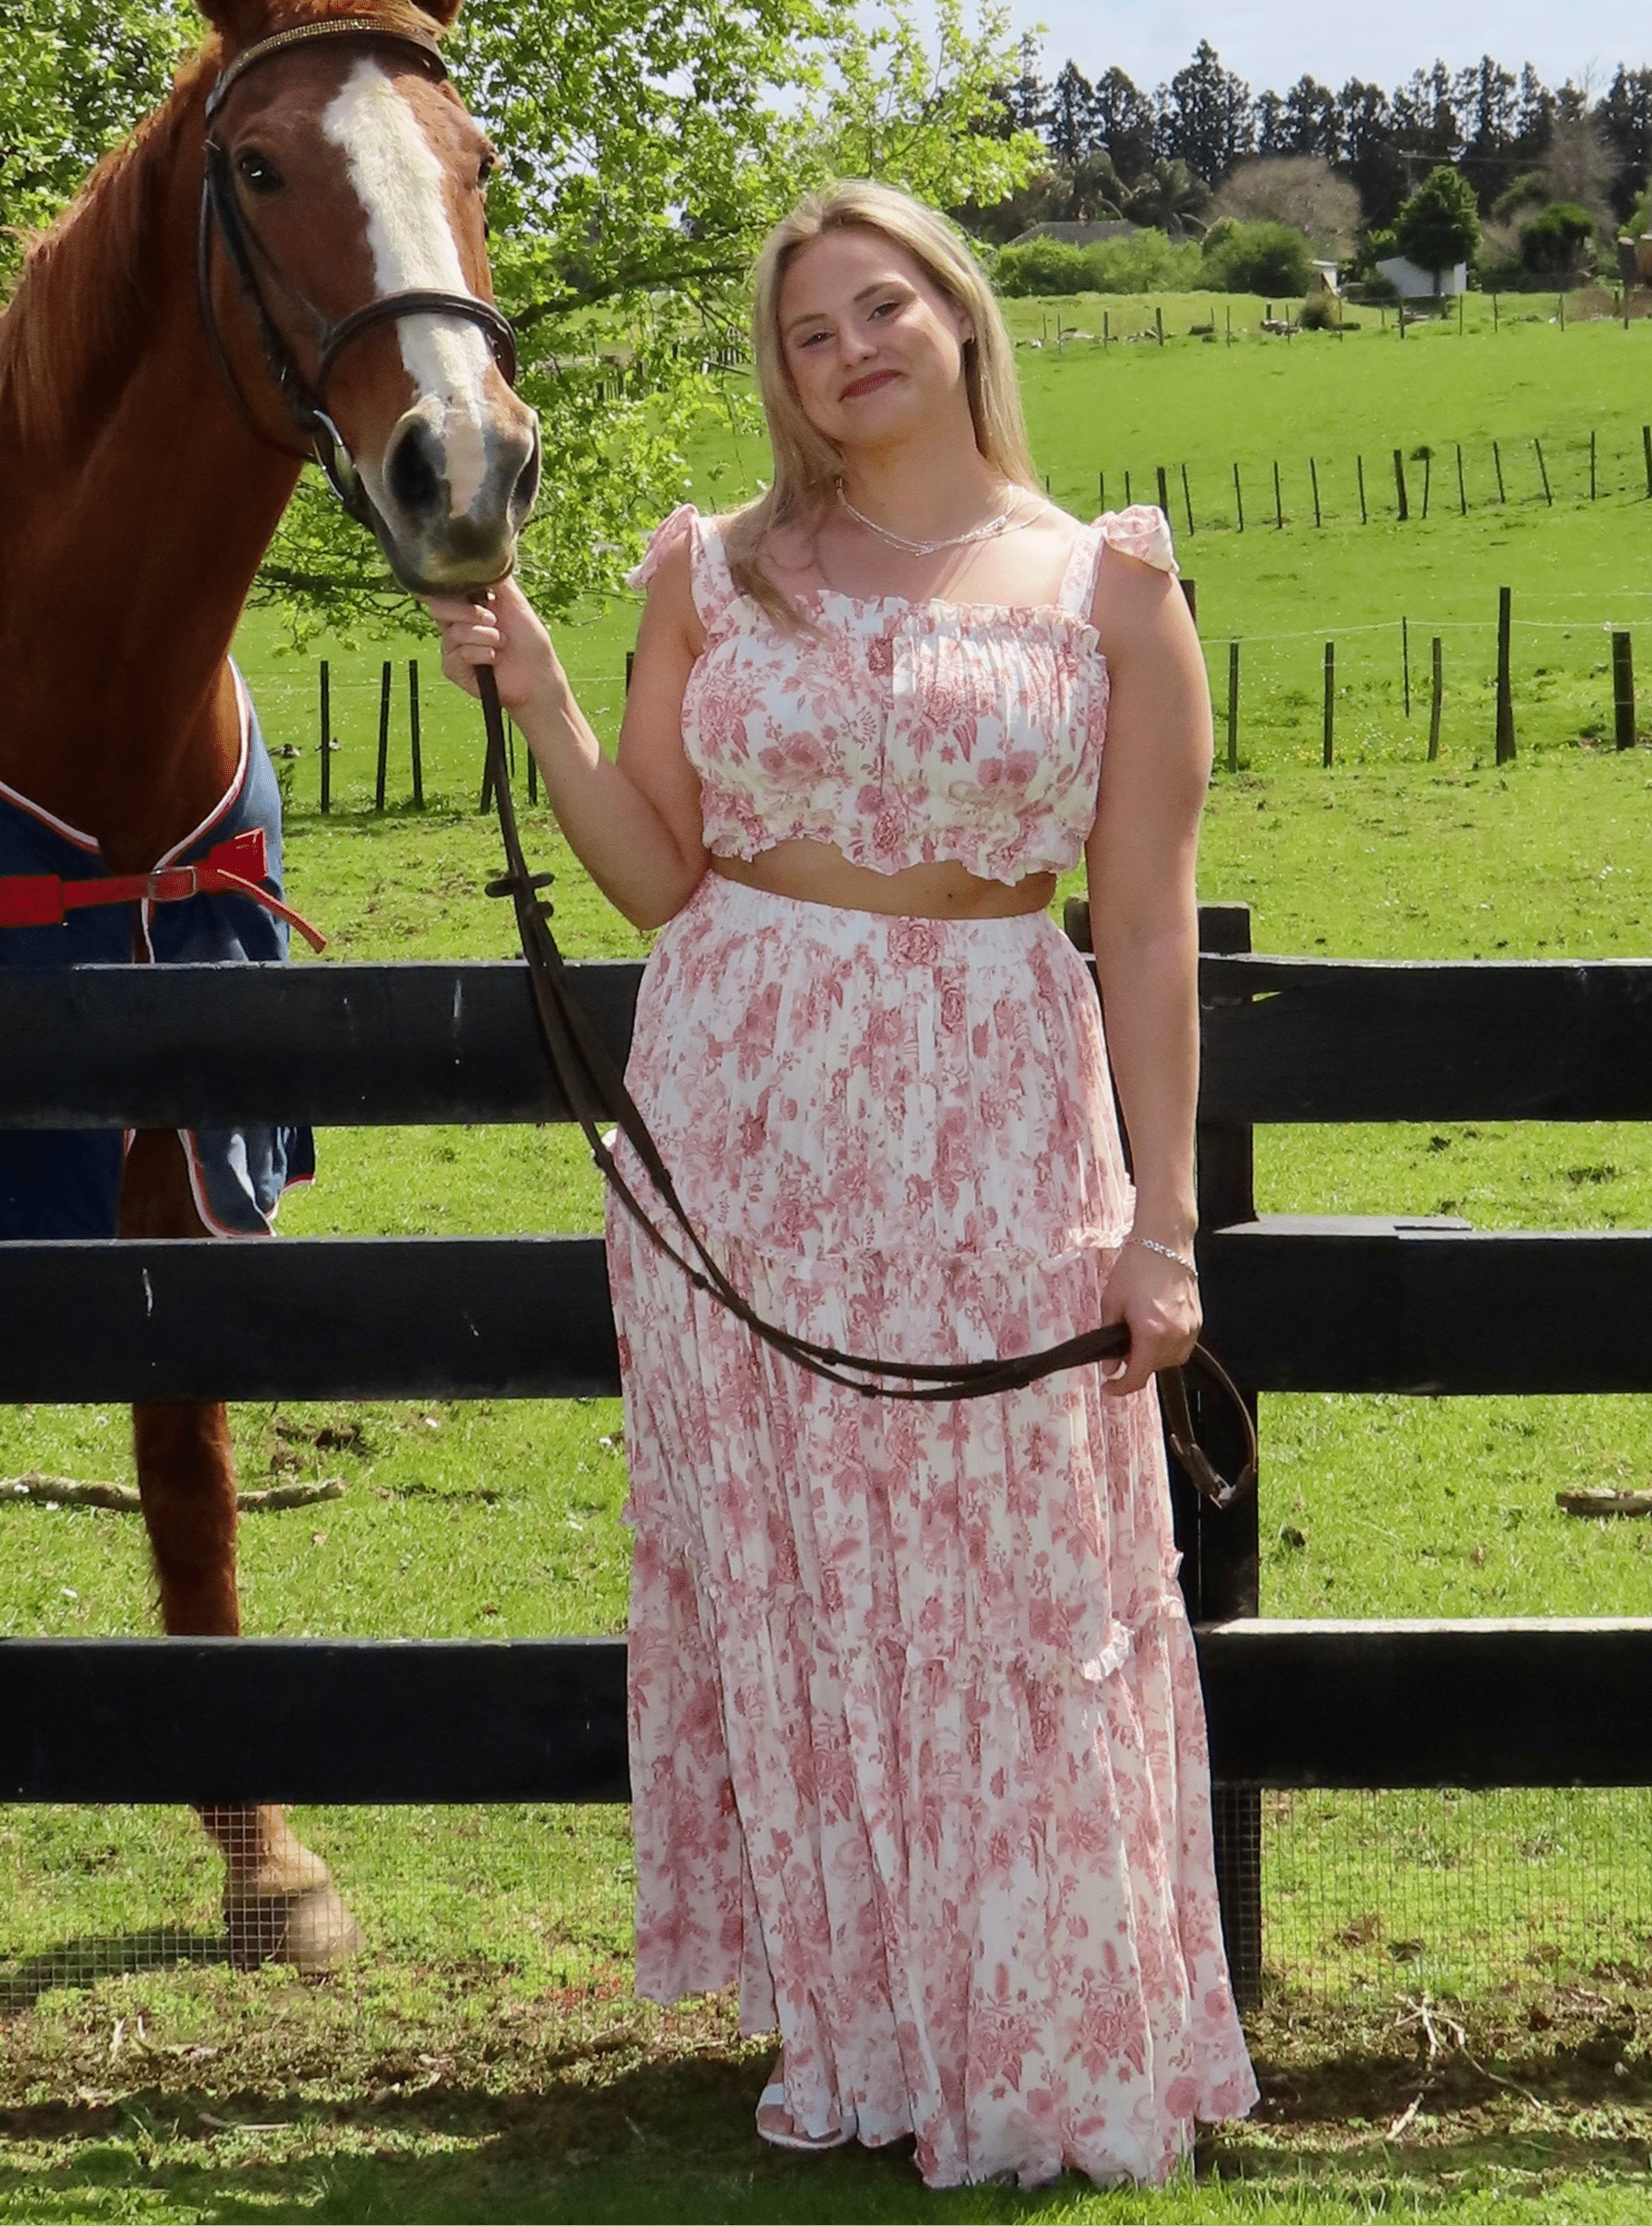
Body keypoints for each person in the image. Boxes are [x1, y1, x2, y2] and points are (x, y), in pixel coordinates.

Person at [428, 181, 1257, 2188]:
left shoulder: (1106, 587)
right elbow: (653, 875)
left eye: (880, 306)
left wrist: (1160, 1227)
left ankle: (1038, 2040)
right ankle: (865, 2042)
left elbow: (1139, 931)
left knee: (1013, 1568)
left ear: (961, 319)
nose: (848, 349)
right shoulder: (710, 573)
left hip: (989, 1100)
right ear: (781, 375)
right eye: (807, 333)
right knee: (797, 1582)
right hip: (743, 1108)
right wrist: (539, 694)